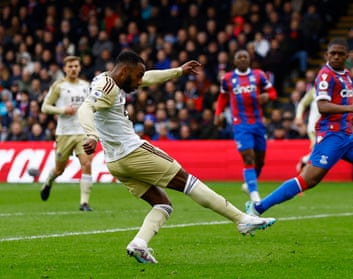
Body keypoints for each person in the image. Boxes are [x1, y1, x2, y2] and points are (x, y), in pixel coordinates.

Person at [77, 50, 275, 264]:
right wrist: (91, 135)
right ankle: (241, 219)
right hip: (133, 151)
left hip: (116, 162)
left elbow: (149, 78)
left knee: (162, 204)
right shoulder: (106, 87)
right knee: (189, 182)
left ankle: (139, 244)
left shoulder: (109, 79)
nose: (140, 81)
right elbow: (85, 107)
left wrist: (178, 71)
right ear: (125, 71)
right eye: (138, 75)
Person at [245, 38, 353, 237]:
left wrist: (351, 118)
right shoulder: (325, 75)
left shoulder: (346, 75)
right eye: (333, 53)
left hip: (348, 135)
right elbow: (322, 106)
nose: (336, 57)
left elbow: (340, 101)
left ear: (347, 56)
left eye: (340, 54)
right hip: (331, 135)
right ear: (327, 55)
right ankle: (256, 208)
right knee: (308, 180)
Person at [214, 50, 277, 203]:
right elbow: (222, 97)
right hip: (240, 124)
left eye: (245, 57)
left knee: (260, 160)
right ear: (234, 61)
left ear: (249, 60)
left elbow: (273, 92)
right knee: (248, 157)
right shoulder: (228, 78)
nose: (242, 59)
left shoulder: (259, 75)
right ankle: (255, 196)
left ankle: (249, 184)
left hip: (258, 123)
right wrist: (218, 114)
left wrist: (267, 96)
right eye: (239, 57)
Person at [40, 56, 94, 211]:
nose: (73, 69)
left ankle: (84, 203)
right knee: (59, 169)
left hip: (83, 131)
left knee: (87, 163)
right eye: (70, 66)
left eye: (76, 66)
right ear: (65, 68)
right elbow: (45, 107)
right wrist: (63, 110)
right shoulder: (59, 86)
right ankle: (48, 182)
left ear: (80, 68)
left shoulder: (86, 86)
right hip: (64, 133)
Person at [293, 86, 320, 173]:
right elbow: (302, 103)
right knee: (318, 150)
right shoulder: (315, 90)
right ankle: (307, 172)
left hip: (329, 127)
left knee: (319, 151)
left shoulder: (337, 90)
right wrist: (298, 117)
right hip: (314, 127)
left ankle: (305, 161)